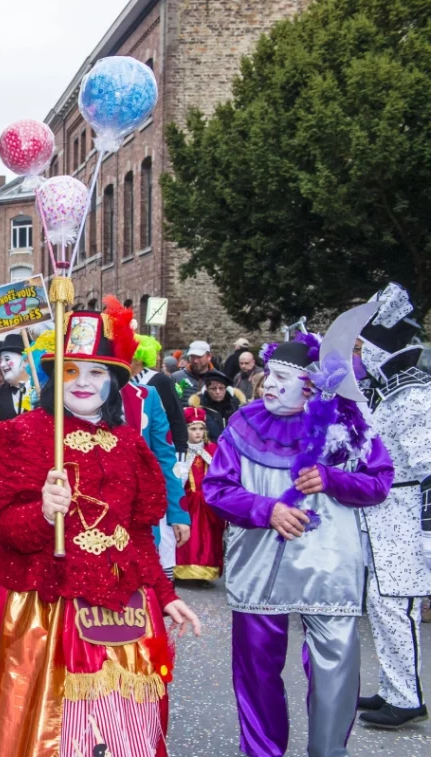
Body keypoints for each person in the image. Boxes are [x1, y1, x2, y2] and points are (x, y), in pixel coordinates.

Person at [0, 306, 201, 757]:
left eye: (96, 371)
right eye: (71, 369)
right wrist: (41, 513)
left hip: (121, 609)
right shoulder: (16, 434)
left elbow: (137, 536)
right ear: (54, 375)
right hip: (39, 609)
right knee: (43, 726)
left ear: (114, 379)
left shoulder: (131, 445)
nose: (82, 381)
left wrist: (164, 592)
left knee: (116, 729)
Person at [203, 334, 393, 757]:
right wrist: (265, 509)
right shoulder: (244, 423)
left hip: (329, 567)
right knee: (256, 672)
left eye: (282, 377)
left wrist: (333, 478)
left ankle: (328, 752)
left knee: (335, 670)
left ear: (312, 387)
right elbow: (216, 488)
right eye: (269, 374)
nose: (268, 384)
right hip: (259, 565)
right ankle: (262, 752)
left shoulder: (350, 424)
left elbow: (380, 482)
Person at [354, 282, 431, 729]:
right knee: (381, 604)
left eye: (366, 347)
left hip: (402, 514)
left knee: (394, 605)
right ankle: (392, 686)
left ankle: (407, 698)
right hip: (385, 513)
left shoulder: (413, 394)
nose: (360, 355)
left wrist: (426, 529)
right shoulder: (392, 391)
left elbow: (428, 467)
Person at [174, 408, 224, 582]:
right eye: (193, 428)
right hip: (188, 501)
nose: (197, 433)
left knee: (208, 539)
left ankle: (205, 573)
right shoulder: (180, 450)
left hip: (208, 502)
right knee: (187, 537)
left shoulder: (212, 449)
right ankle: (181, 571)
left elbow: (220, 473)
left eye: (200, 429)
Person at [132, 333, 188, 454]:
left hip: (155, 447)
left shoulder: (161, 381)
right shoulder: (118, 381)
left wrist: (180, 451)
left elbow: (176, 416)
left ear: (138, 358)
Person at [0, 333, 31, 429]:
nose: (2, 365)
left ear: (26, 360)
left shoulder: (45, 391)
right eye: (1, 360)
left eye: (7, 359)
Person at [188, 370, 243, 442]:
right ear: (207, 389)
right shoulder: (199, 408)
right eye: (213, 388)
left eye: (221, 388)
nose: (218, 392)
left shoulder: (235, 405)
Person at [172, 340, 212, 406]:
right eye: (192, 356)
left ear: (209, 356)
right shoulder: (176, 377)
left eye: (199, 357)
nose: (195, 360)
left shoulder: (218, 379)